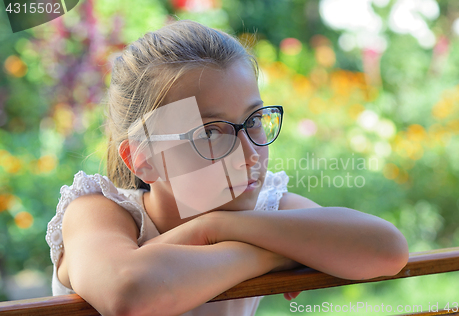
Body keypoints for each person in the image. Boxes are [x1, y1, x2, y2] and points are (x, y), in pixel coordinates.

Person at [45, 20, 409, 316]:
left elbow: (386, 250)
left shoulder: (256, 208)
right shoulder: (99, 212)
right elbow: (130, 294)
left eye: (253, 120)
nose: (248, 154)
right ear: (143, 157)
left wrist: (215, 226)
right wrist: (278, 252)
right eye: (209, 132)